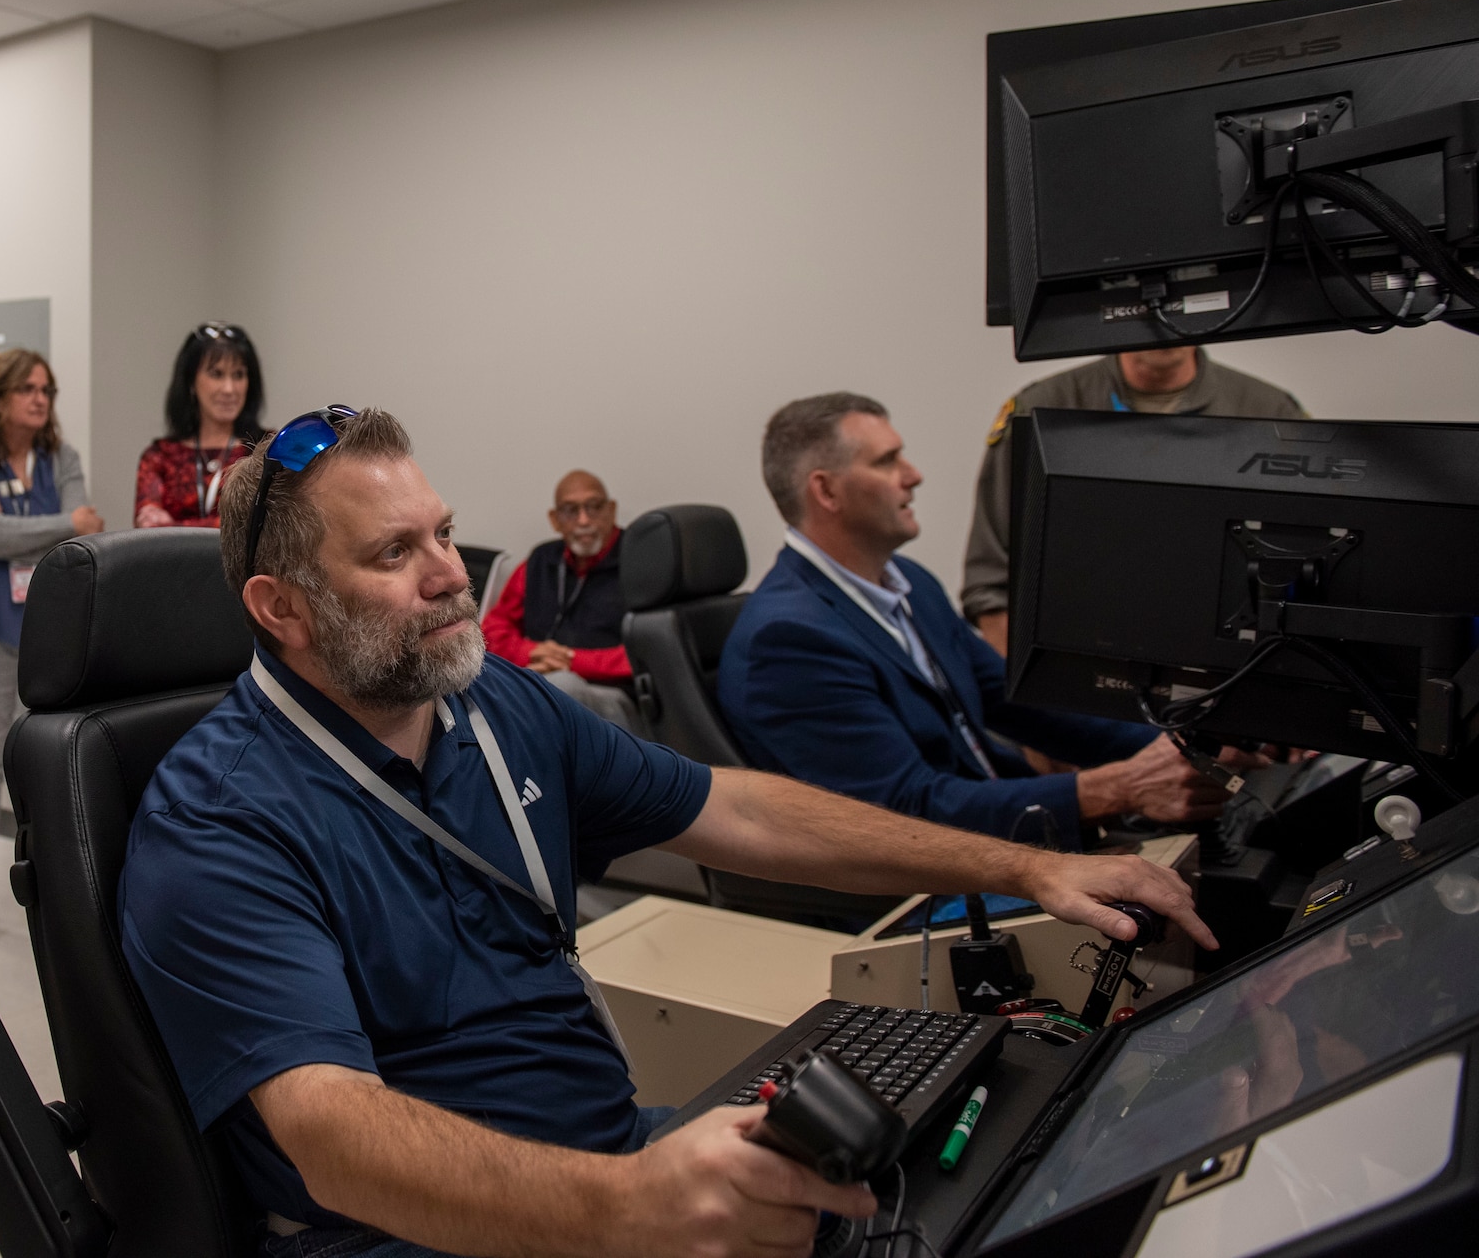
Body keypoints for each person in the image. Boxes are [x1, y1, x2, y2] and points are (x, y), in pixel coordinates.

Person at [116, 404, 1216, 1258]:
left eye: (443, 533)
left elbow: (732, 808)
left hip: (602, 1158)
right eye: (393, 554)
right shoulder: (218, 818)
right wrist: (627, 1207)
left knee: (972, 1178)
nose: (453, 573)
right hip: (399, 1229)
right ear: (282, 609)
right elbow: (332, 1138)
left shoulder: (494, 705)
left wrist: (1032, 863)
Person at [719, 393, 1257, 848]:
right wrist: (1117, 789)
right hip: (929, 878)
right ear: (826, 490)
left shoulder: (907, 581)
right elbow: (901, 815)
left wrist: (1182, 744)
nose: (914, 476)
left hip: (994, 831)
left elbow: (1016, 698)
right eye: (887, 461)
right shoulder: (788, 641)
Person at [962, 345, 1306, 655]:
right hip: (1082, 670)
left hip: (1228, 669)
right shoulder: (1044, 408)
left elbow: (1305, 572)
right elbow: (990, 585)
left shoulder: (1269, 411)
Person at [0, 349, 102, 947]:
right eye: (28, 389)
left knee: (47, 761)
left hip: (51, 630)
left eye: (47, 390)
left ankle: (47, 885)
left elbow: (87, 527)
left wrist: (48, 529)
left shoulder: (63, 458)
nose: (40, 399)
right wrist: (62, 523)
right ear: (0, 397)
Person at [480, 469, 639, 731]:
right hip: (543, 680)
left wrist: (571, 660)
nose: (584, 520)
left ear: (611, 510)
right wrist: (529, 652)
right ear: (555, 520)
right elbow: (494, 628)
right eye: (570, 510)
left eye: (594, 507)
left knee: (559, 687)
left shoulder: (641, 560)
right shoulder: (540, 561)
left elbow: (650, 654)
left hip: (616, 697)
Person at [134, 322, 265, 528]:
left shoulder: (266, 450)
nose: (229, 389)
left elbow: (264, 525)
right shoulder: (160, 457)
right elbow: (148, 532)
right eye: (216, 374)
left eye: (238, 375)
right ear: (191, 382)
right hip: (174, 562)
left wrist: (174, 527)